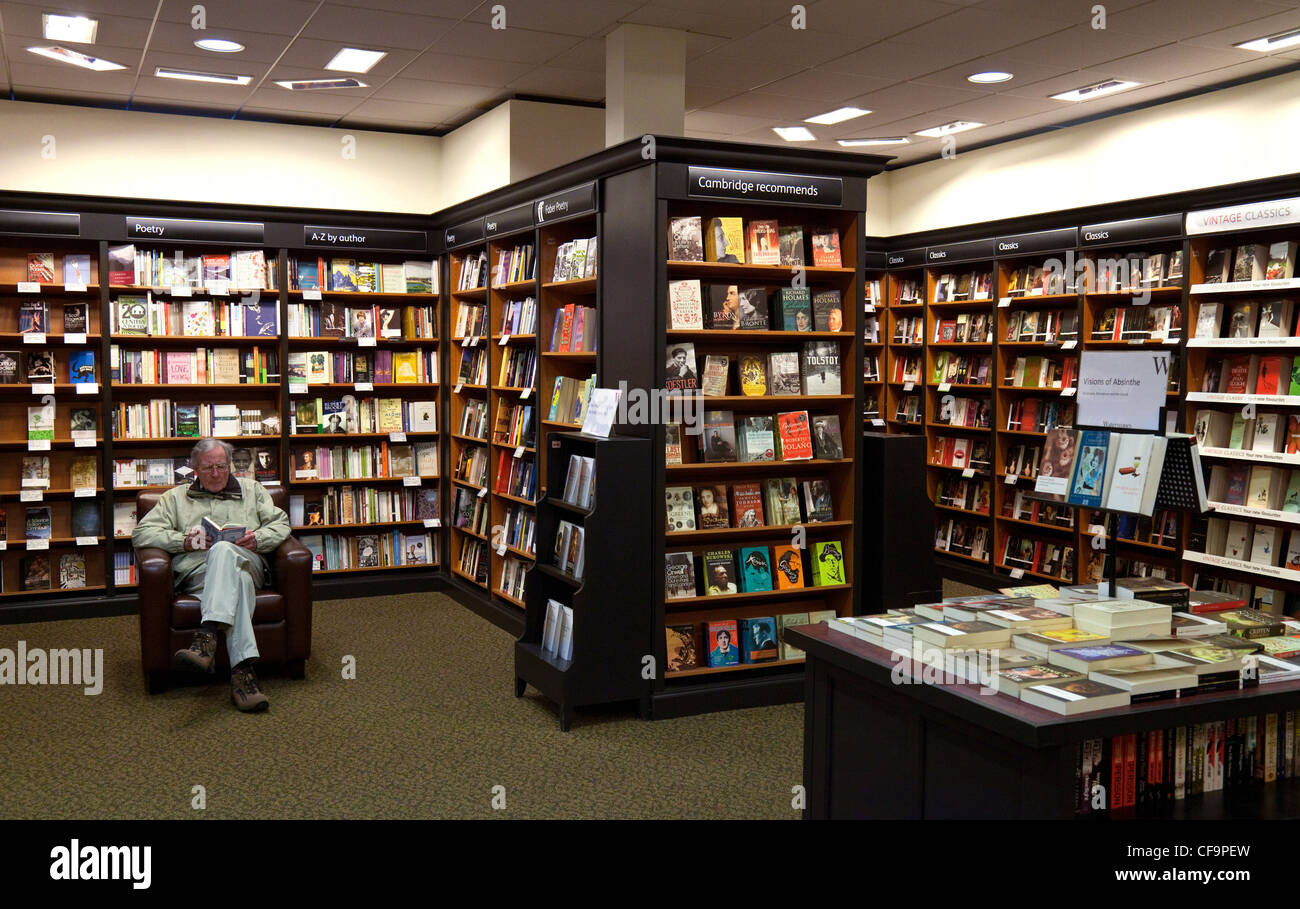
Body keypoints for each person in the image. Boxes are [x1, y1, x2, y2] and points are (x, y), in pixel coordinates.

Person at [132, 439, 290, 712]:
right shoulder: (174, 498)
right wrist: (184, 541)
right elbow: (142, 534)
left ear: (229, 466)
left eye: (221, 466)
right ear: (195, 469)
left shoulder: (253, 490)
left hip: (247, 562)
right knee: (236, 581)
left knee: (224, 551)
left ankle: (206, 637)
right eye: (208, 468)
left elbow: (281, 523)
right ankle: (243, 674)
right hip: (198, 574)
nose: (216, 473)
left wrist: (258, 539)